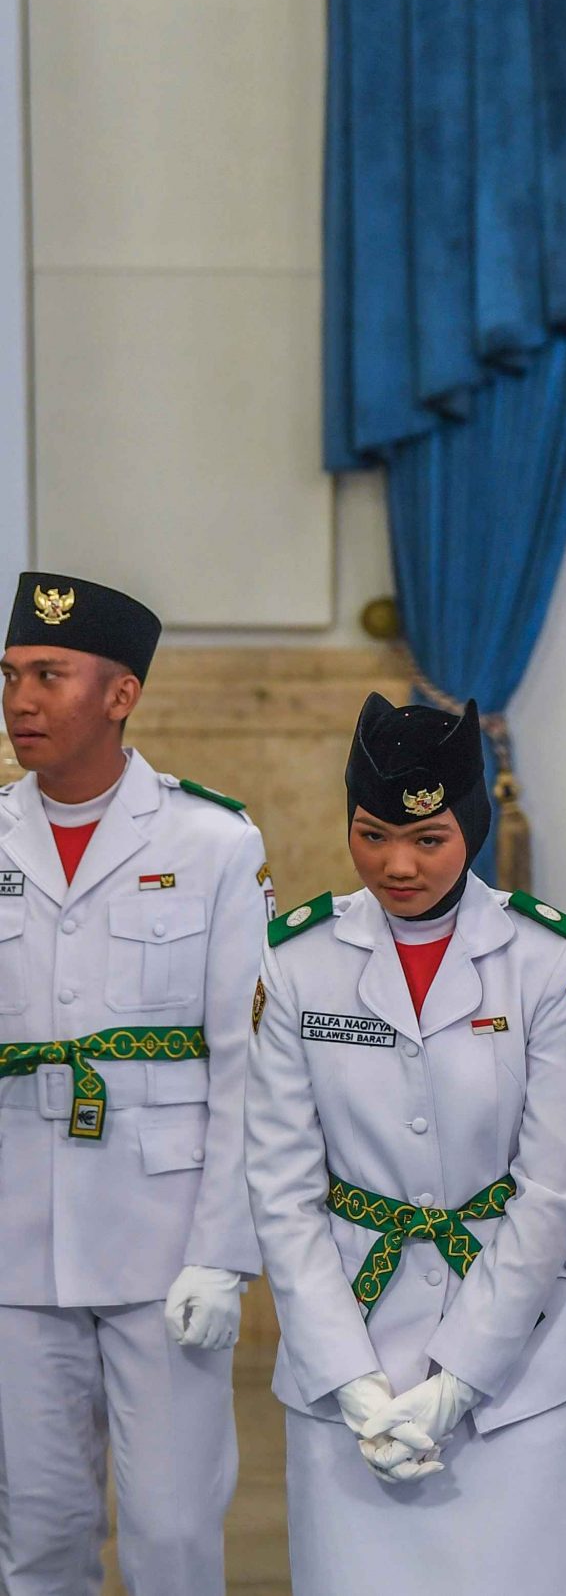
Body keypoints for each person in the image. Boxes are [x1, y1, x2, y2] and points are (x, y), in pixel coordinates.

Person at [245, 694, 566, 1593]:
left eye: (429, 838)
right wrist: (350, 1378)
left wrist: (462, 1377)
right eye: (372, 834)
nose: (397, 863)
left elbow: (549, 1189)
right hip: (352, 1359)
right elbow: (282, 1191)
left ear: (472, 826)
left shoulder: (544, 958)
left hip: (526, 1371)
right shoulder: (298, 960)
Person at [0, 571, 270, 1595]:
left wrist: (224, 1253)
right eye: (11, 675)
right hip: (16, 1244)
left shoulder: (212, 843)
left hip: (164, 1245)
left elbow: (247, 1064)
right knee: (38, 1535)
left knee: (171, 1536)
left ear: (122, 694)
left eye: (50, 674)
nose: (21, 700)